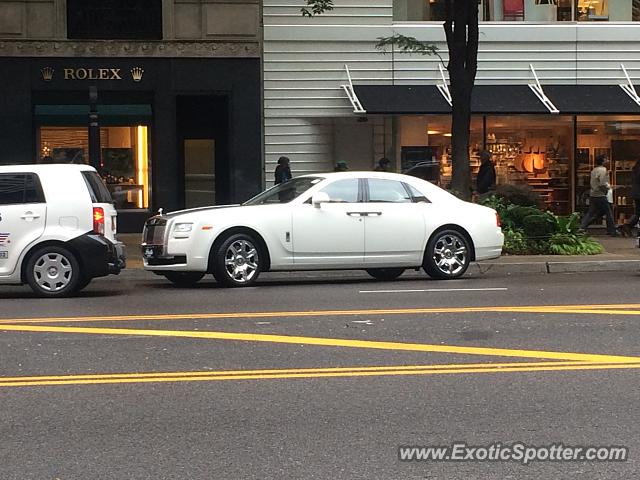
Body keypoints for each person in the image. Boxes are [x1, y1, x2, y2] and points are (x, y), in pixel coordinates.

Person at [581, 154, 617, 236]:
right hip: (600, 194)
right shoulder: (603, 170)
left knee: (591, 212)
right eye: (606, 159)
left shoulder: (594, 170)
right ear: (603, 161)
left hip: (593, 193)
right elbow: (602, 183)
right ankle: (612, 230)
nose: (608, 161)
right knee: (609, 212)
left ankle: (582, 227)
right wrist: (606, 190)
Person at [618, 159, 640, 237]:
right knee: (638, 213)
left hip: (636, 193)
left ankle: (627, 226)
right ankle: (628, 226)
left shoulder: (635, 170)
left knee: (638, 213)